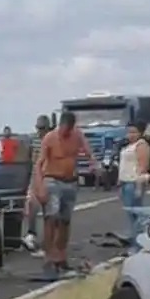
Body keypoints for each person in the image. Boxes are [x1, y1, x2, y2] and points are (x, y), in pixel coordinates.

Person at [33, 111, 96, 280]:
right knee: (51, 218)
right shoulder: (50, 138)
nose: (65, 134)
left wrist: (94, 165)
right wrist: (39, 187)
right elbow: (39, 164)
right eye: (63, 131)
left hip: (70, 181)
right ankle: (48, 258)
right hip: (52, 180)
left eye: (68, 132)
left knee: (65, 221)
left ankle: (60, 255)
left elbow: (88, 152)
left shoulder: (77, 136)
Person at [23, 115, 53, 254]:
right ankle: (31, 233)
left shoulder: (53, 139)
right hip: (36, 176)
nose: (40, 131)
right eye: (38, 128)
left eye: (42, 128)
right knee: (32, 207)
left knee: (49, 208)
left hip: (49, 176)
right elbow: (30, 157)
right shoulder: (34, 140)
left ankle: (49, 238)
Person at [118, 121, 150, 249]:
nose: (130, 135)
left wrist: (139, 186)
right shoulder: (128, 146)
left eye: (133, 132)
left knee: (136, 214)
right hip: (125, 182)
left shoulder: (141, 145)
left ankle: (138, 244)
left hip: (134, 182)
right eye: (129, 132)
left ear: (140, 133)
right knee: (130, 214)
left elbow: (143, 166)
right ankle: (136, 241)